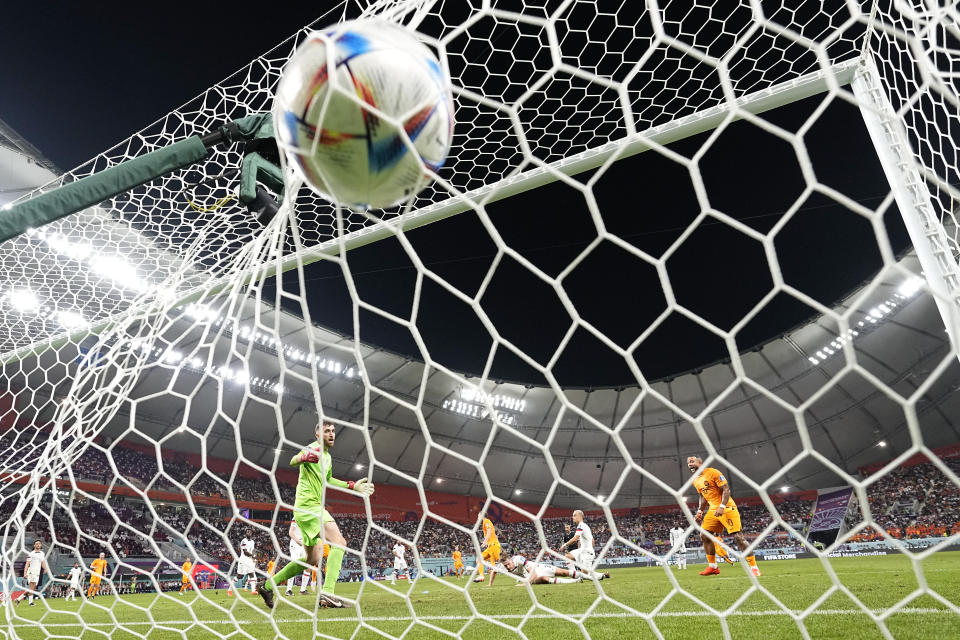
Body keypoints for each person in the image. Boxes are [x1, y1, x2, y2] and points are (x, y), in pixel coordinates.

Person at [258, 421, 374, 609]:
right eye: (326, 431)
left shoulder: (327, 457)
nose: (331, 434)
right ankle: (328, 593)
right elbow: (294, 459)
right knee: (340, 542)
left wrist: (352, 486)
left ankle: (267, 585)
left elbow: (328, 479)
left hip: (304, 511)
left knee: (312, 559)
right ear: (318, 435)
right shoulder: (314, 448)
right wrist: (304, 457)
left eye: (333, 431)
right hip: (310, 507)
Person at [687, 456, 760, 577]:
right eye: (688, 463)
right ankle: (713, 567)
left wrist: (722, 506)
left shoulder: (713, 472)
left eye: (692, 461)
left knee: (738, 538)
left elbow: (726, 489)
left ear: (700, 463)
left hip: (727, 508)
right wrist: (700, 511)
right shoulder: (695, 480)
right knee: (704, 535)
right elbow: (703, 496)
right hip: (712, 510)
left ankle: (754, 567)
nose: (690, 464)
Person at [560, 511, 609, 580]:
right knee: (567, 556)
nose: (572, 517)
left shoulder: (581, 526)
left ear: (580, 516)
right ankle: (574, 575)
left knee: (585, 574)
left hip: (587, 553)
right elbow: (592, 540)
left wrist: (564, 545)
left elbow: (575, 538)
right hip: (582, 550)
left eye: (574, 515)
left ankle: (601, 575)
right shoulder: (582, 526)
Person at [501, 555, 584, 585]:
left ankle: (588, 576)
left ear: (511, 560)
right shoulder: (503, 567)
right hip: (529, 576)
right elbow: (494, 570)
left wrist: (525, 584)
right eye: (505, 566)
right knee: (543, 578)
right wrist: (490, 583)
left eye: (508, 564)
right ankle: (573, 581)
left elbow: (533, 573)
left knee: (563, 572)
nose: (508, 567)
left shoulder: (518, 559)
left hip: (538, 567)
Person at [15, 540, 50, 606]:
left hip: (37, 572)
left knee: (32, 589)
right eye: (36, 544)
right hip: (32, 572)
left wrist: (45, 568)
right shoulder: (31, 554)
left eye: (39, 543)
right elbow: (27, 564)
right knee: (32, 588)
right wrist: (25, 573)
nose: (38, 545)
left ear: (41, 545)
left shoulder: (42, 553)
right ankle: (30, 603)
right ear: (34, 545)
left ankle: (18, 599)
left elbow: (42, 562)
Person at [473, 517, 501, 585]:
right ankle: (481, 576)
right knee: (479, 559)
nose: (477, 517)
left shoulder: (486, 521)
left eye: (478, 515)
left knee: (504, 563)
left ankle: (522, 573)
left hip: (494, 546)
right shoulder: (485, 522)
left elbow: (489, 530)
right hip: (490, 547)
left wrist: (485, 541)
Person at [234, 529, 256, 593]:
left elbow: (253, 550)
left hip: (249, 560)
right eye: (247, 532)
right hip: (243, 559)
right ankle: (230, 589)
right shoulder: (243, 541)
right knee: (240, 576)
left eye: (250, 532)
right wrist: (253, 555)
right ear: (245, 533)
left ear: (252, 533)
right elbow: (245, 552)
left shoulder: (252, 542)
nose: (249, 533)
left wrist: (254, 556)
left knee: (251, 574)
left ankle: (253, 591)